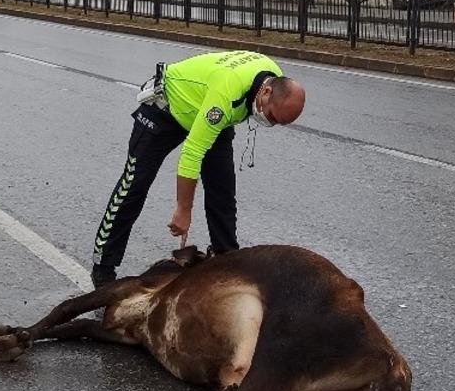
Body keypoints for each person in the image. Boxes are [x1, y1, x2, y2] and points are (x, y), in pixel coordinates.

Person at [90, 50, 306, 287]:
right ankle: (103, 266)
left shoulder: (274, 78)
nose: (269, 123)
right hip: (167, 108)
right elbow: (192, 153)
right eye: (271, 116)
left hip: (210, 112)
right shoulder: (226, 93)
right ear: (266, 92)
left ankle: (226, 260)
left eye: (277, 123)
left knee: (222, 190)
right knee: (134, 186)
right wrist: (184, 210)